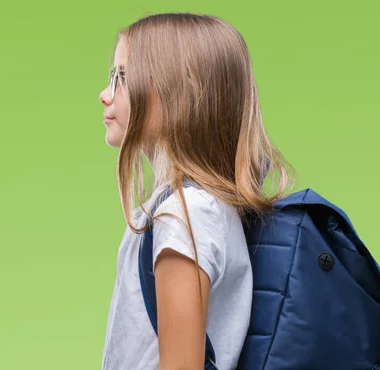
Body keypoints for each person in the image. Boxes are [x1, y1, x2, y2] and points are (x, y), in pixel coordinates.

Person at [98, 12, 296, 370]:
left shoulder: (186, 214)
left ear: (179, 93)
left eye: (122, 79)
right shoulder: (187, 206)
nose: (104, 95)